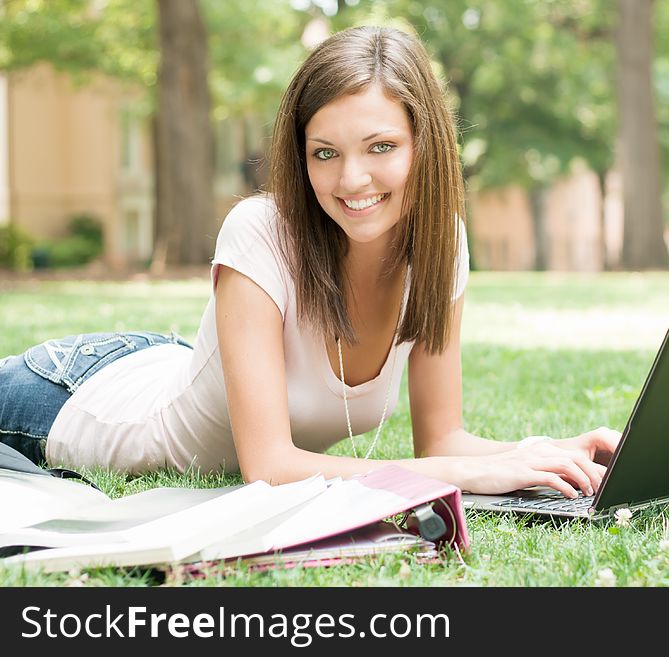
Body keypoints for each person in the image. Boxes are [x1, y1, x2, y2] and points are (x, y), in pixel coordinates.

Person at [0, 26, 620, 500]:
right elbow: (270, 468)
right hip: (73, 399)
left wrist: (545, 452)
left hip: (169, 362)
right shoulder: (261, 232)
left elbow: (443, 440)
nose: (351, 179)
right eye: (325, 153)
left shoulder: (440, 245)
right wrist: (463, 475)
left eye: (381, 147)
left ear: (424, 145)